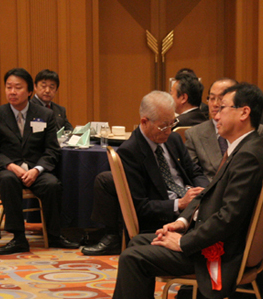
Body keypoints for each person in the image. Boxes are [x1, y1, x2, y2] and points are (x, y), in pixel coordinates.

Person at [85, 83, 263, 299]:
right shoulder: (245, 148)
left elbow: (228, 218)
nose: (216, 114)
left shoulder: (248, 154)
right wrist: (182, 222)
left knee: (133, 258)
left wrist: (183, 242)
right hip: (215, 239)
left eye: (223, 108)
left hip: (219, 253)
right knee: (138, 242)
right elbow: (210, 197)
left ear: (244, 113)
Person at [81, 91, 209, 256]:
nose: (168, 131)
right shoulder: (130, 152)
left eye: (172, 123)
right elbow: (141, 207)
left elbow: (195, 172)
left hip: (193, 204)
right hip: (165, 218)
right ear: (144, 122)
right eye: (163, 126)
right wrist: (179, 204)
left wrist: (203, 191)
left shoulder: (173, 139)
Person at [0, 68, 79, 255]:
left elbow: (52, 150)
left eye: (18, 87)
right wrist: (11, 166)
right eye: (9, 87)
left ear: (29, 91)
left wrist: (37, 170)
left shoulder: (45, 114)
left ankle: (54, 235)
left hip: (35, 169)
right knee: (8, 180)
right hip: (7, 168)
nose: (12, 92)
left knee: (52, 184)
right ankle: (18, 238)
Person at [185, 78, 237, 180]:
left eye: (221, 99)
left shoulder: (251, 130)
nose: (215, 104)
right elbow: (194, 174)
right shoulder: (194, 134)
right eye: (212, 98)